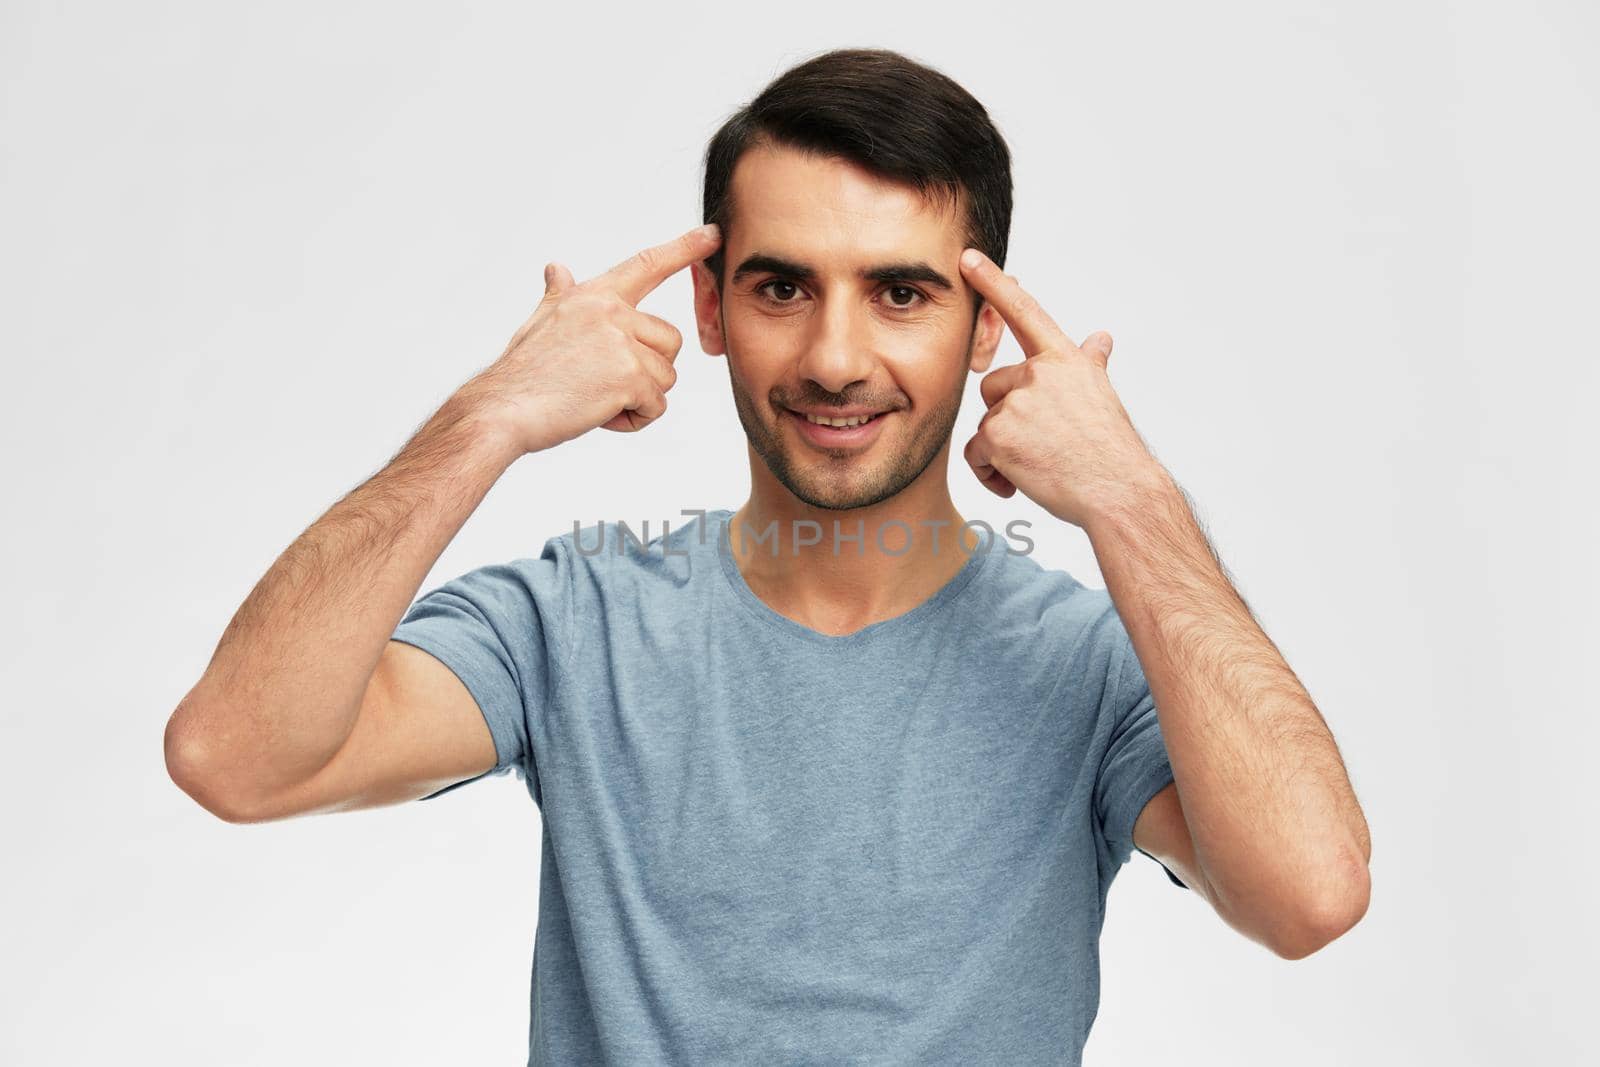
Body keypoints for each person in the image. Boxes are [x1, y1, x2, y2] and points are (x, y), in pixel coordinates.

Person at [165, 47, 1371, 1065]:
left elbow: (1310, 896)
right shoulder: (574, 620)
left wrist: (1131, 497)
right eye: (782, 286)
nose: (835, 357)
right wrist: (489, 416)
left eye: (900, 293)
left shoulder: (1091, 669)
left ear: (984, 326)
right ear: (709, 310)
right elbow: (237, 756)